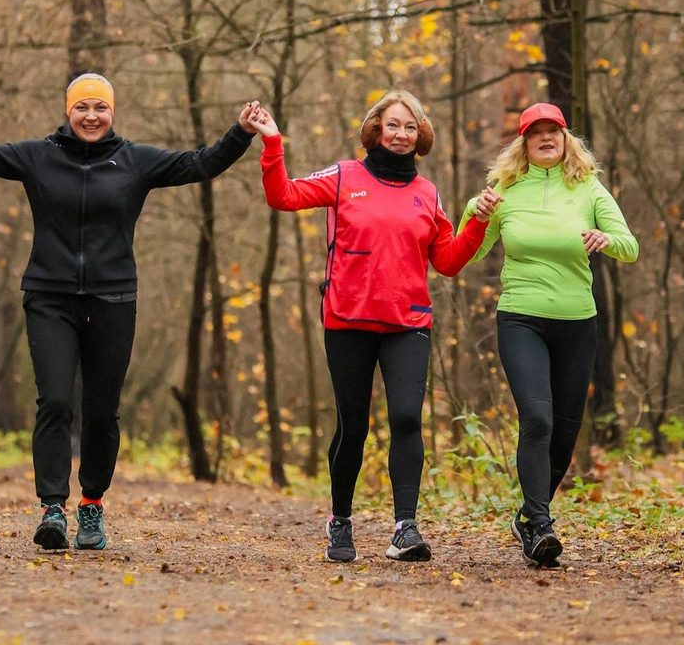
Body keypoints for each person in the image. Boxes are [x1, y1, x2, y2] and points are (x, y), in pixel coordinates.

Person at [0, 77, 260, 550]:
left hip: (113, 299)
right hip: (50, 296)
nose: (91, 116)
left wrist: (241, 132)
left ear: (112, 113)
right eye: (81, 107)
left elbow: (200, 163)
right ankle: (52, 508)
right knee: (56, 401)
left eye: (100, 107)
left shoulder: (136, 161)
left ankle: (91, 505)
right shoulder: (38, 156)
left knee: (102, 412)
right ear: (68, 111)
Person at [248, 91, 502, 563]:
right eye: (393, 125)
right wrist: (272, 142)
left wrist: (477, 223)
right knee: (353, 426)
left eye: (410, 127)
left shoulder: (428, 193)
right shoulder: (344, 176)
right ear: (376, 129)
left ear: (420, 135)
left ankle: (405, 527)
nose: (401, 134)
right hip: (348, 320)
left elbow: (447, 261)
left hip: (408, 322)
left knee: (406, 419)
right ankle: (340, 521)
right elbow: (283, 195)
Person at [459, 102, 638, 567]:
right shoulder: (504, 190)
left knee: (565, 431)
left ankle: (527, 515)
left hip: (577, 323)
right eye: (535, 131)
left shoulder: (588, 187)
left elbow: (630, 246)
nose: (545, 137)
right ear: (523, 142)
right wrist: (475, 211)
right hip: (521, 318)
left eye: (552, 131)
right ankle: (540, 524)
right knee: (537, 418)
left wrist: (606, 240)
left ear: (565, 139)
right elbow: (469, 253)